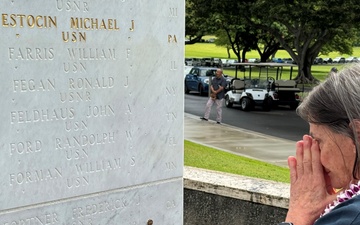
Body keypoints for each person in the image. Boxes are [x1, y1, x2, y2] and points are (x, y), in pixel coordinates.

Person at [279, 63, 360, 225]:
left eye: (319, 141)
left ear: (357, 132)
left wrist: (299, 214)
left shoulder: (350, 217)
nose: (316, 154)